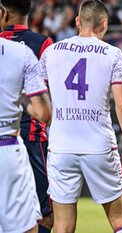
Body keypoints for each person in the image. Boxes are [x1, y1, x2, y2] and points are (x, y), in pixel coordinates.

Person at [39, 1, 122, 233]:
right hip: (99, 146)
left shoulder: (51, 52)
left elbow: (38, 99)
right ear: (104, 23)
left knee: (62, 226)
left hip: (61, 146)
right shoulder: (113, 53)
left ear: (77, 22)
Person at [0, 1, 54, 232]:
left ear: (3, 12)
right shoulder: (40, 45)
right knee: (42, 218)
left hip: (18, 140)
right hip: (24, 138)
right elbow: (45, 108)